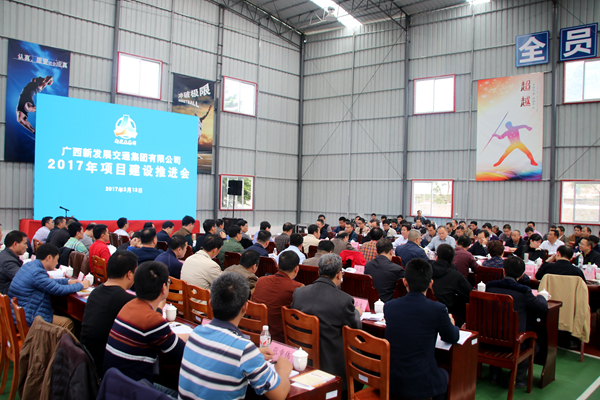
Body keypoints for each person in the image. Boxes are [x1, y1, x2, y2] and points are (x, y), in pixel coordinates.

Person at [178, 273, 291, 399]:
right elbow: (279, 395)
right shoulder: (244, 350)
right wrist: (283, 370)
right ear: (245, 307)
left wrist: (254, 353)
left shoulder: (196, 333)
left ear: (210, 304)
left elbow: (221, 350)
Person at [103, 262, 186, 396]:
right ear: (163, 288)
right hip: (134, 391)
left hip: (115, 387)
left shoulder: (129, 305)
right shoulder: (152, 320)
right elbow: (182, 353)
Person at [384, 258, 459, 400]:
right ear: (431, 284)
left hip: (392, 378)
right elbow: (452, 337)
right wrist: (451, 323)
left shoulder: (390, 306)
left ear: (405, 282)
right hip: (420, 381)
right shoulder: (438, 309)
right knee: (445, 375)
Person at [291, 254, 362, 391]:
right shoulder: (343, 300)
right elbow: (355, 329)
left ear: (319, 272)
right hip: (331, 363)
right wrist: (357, 313)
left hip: (302, 355)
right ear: (339, 275)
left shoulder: (299, 293)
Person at [486, 257, 548, 387]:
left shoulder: (490, 286)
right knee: (534, 345)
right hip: (515, 340)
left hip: (490, 336)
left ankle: (494, 374)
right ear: (521, 275)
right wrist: (542, 297)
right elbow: (542, 308)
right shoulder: (524, 291)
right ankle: (515, 379)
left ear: (504, 271)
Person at [80, 251, 139, 375]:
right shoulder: (126, 300)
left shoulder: (95, 292)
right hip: (105, 370)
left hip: (86, 362)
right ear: (129, 274)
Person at [9, 243, 88, 330]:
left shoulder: (29, 266)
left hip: (21, 313)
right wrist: (81, 285)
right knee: (68, 323)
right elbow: (59, 290)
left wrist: (68, 281)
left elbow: (47, 282)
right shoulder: (37, 272)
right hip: (29, 318)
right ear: (49, 258)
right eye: (57, 260)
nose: (57, 263)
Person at [252, 251, 303, 343]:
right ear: (296, 269)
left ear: (278, 266)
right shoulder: (298, 288)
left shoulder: (260, 281)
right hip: (279, 341)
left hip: (254, 335)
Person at [431, 244, 472, 318]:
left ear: (437, 257)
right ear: (452, 259)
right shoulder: (455, 275)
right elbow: (470, 293)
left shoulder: (427, 269)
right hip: (446, 313)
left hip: (426, 309)